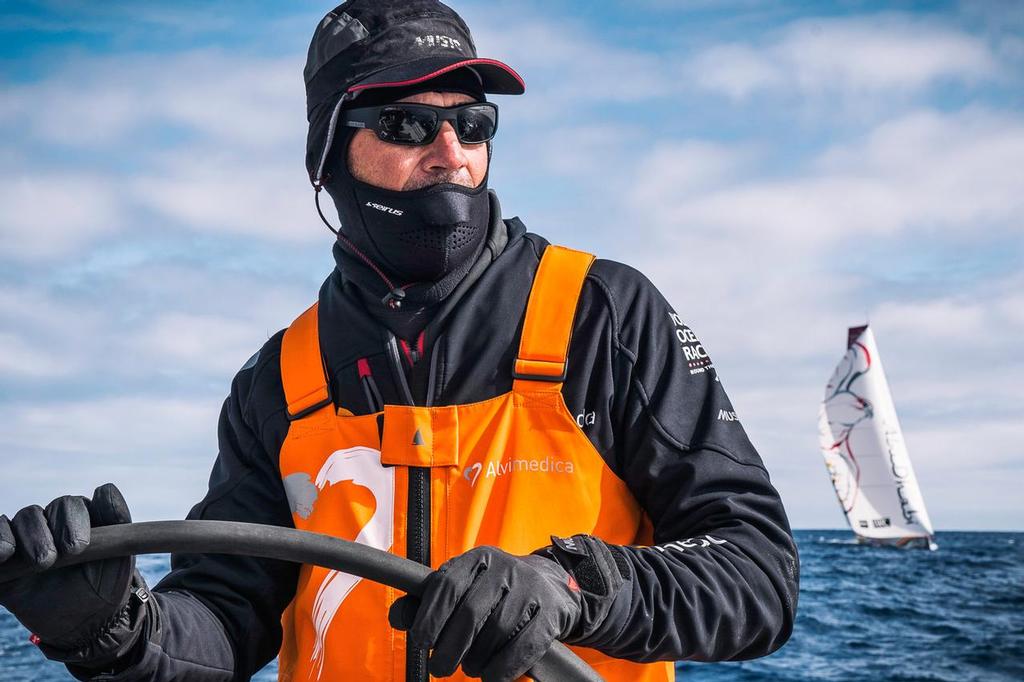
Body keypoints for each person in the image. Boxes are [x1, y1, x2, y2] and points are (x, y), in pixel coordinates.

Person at [0, 2, 799, 681]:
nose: (451, 152)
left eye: (473, 123)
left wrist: (575, 586)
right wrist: (115, 633)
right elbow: (224, 617)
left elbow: (759, 575)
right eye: (408, 123)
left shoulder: (606, 314)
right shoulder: (279, 379)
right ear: (327, 157)